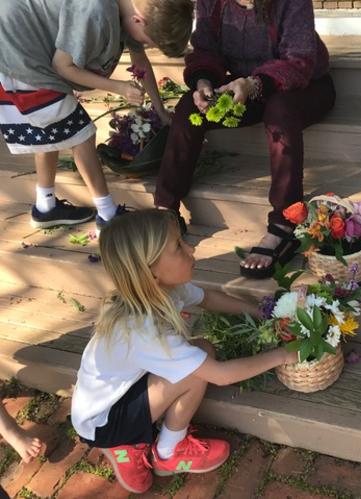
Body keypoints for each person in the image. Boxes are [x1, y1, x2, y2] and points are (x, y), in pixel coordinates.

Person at [70, 209, 297, 494]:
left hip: (113, 395)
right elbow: (222, 376)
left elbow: (208, 298)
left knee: (201, 349)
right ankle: (166, 452)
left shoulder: (161, 290)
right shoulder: (142, 329)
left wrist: (261, 313)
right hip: (105, 422)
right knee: (194, 371)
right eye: (178, 246)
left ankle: (143, 440)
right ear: (150, 271)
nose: (191, 249)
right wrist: (283, 355)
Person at [153, 0, 336, 279]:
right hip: (242, 88)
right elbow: (205, 51)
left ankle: (284, 224)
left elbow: (298, 62)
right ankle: (165, 211)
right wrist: (203, 82)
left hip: (305, 87)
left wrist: (254, 84)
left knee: (280, 112)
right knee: (189, 108)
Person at [0, 0, 189, 232]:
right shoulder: (94, 10)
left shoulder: (130, 11)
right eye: (148, 41)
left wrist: (159, 109)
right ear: (139, 20)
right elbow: (64, 66)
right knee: (82, 135)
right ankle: (108, 216)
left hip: (33, 48)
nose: (145, 45)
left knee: (51, 124)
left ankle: (45, 207)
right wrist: (118, 87)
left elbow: (140, 61)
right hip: (21, 53)